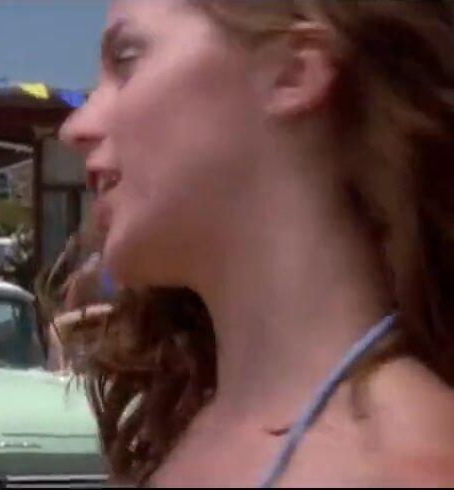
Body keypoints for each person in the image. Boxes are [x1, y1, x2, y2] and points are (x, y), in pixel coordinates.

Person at [58, 0, 454, 486]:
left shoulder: (402, 469)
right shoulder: (189, 424)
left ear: (292, 73)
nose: (76, 128)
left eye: (127, 60)